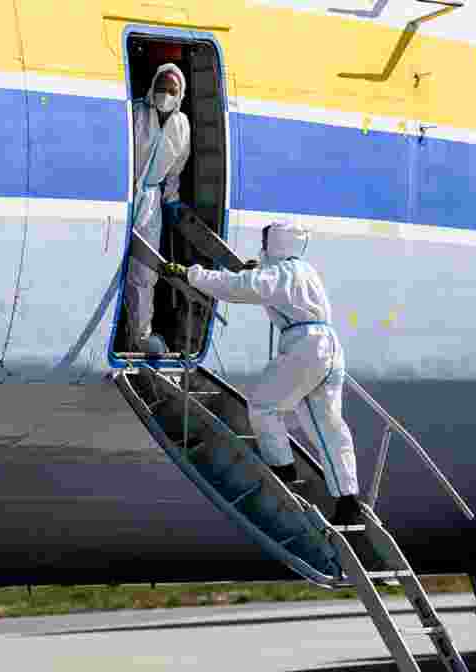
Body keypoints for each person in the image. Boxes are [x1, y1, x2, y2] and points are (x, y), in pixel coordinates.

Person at [160, 220, 362, 526]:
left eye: (267, 241)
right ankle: (348, 500)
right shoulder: (305, 270)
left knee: (264, 405)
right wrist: (260, 270)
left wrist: (192, 274)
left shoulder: (279, 274)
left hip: (304, 347)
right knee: (329, 427)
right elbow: (273, 284)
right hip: (330, 347)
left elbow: (237, 289)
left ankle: (283, 469)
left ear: (277, 243)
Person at [124, 63, 191, 355]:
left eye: (172, 90)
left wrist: (172, 198)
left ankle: (139, 336)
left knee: (144, 270)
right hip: (124, 193)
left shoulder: (182, 125)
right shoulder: (137, 112)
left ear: (180, 94)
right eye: (162, 88)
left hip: (151, 200)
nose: (166, 94)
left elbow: (176, 167)